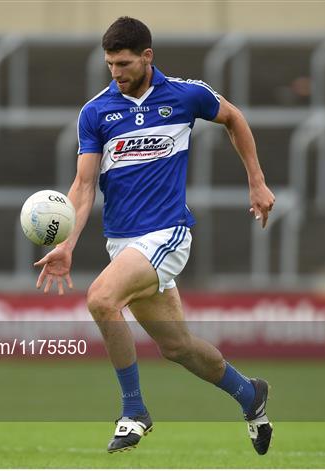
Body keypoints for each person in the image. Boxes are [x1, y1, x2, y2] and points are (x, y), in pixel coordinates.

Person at [34, 17, 275, 455]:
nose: (116, 72)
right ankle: (250, 395)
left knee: (102, 298)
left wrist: (256, 181)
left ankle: (134, 411)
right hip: (123, 244)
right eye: (109, 64)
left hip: (167, 233)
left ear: (147, 56)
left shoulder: (185, 94)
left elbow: (233, 118)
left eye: (124, 63)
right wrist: (65, 243)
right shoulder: (96, 112)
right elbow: (84, 185)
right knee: (177, 347)